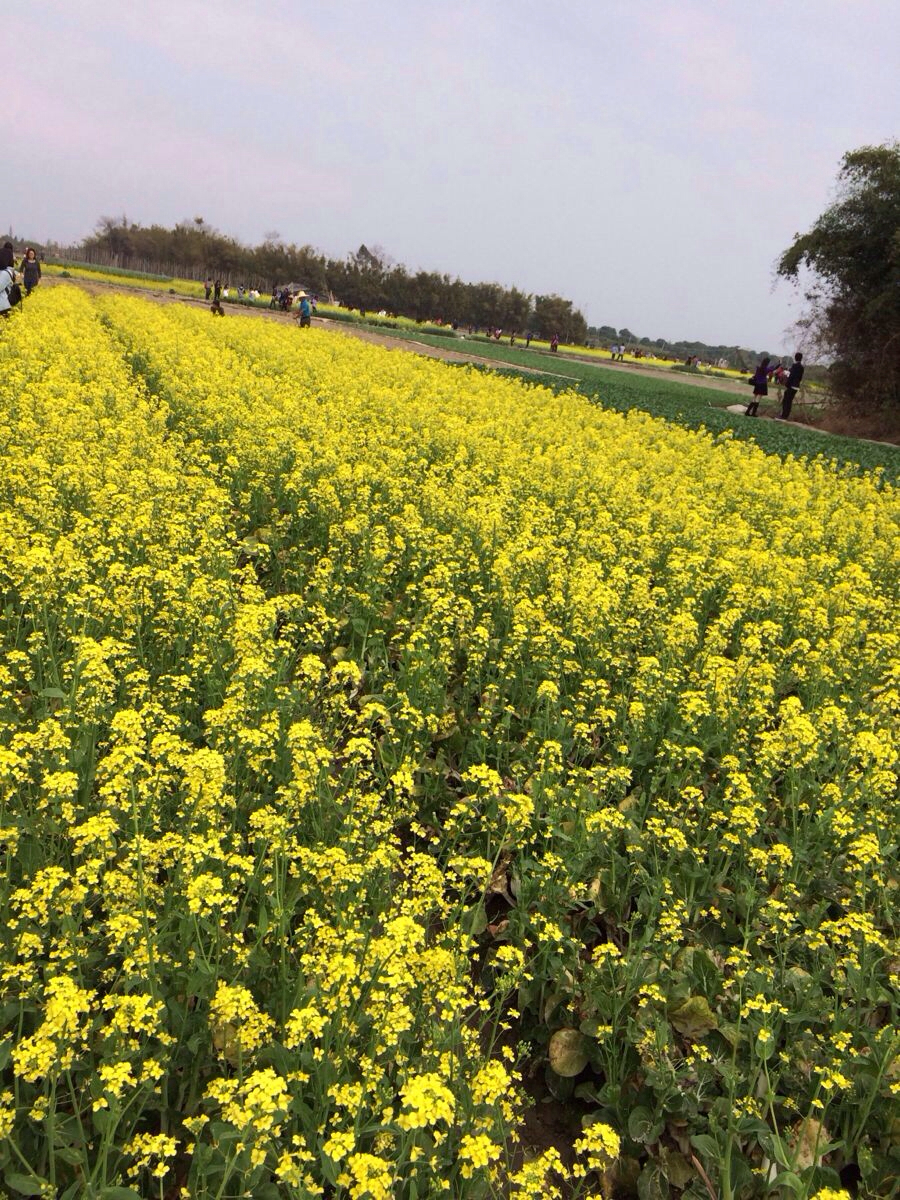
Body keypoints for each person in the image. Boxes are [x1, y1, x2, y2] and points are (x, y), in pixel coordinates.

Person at [781, 353, 804, 419]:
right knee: (790, 401)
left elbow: (791, 376)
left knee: (786, 401)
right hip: (796, 386)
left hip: (791, 385)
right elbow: (800, 378)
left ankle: (783, 415)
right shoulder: (802, 367)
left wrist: (787, 384)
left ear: (795, 358)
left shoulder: (794, 366)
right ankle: (786, 415)